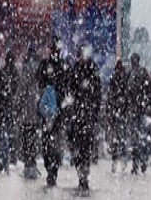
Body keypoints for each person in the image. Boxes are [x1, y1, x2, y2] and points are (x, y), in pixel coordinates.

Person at [67, 44, 102, 195]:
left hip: (85, 116)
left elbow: (97, 93)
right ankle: (81, 175)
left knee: (85, 148)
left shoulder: (90, 69)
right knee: (78, 147)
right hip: (78, 116)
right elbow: (70, 90)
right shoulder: (76, 69)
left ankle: (84, 177)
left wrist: (93, 112)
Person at [36, 36, 69, 188]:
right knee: (50, 143)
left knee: (50, 143)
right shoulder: (59, 65)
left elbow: (40, 83)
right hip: (53, 112)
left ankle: (52, 171)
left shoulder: (52, 65)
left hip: (51, 112)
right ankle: (52, 170)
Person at [16, 46, 41, 178]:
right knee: (33, 138)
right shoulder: (40, 68)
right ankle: (33, 163)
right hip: (36, 111)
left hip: (27, 112)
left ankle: (28, 166)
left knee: (26, 139)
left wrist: (17, 106)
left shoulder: (26, 70)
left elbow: (21, 91)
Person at [127, 53, 151, 174]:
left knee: (140, 139)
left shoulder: (140, 73)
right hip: (137, 111)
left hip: (140, 111)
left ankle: (140, 162)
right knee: (137, 139)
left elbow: (149, 90)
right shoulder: (133, 74)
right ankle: (137, 163)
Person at [106, 59, 130, 173]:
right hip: (119, 114)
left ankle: (117, 161)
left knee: (118, 139)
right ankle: (118, 161)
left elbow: (110, 97)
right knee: (119, 139)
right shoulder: (122, 79)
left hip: (118, 113)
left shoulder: (117, 79)